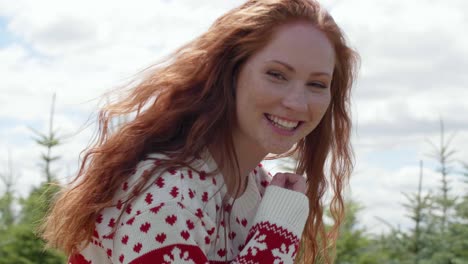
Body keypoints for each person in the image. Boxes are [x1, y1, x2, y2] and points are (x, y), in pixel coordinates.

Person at [42, 0, 359, 263]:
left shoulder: (259, 187)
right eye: (276, 74)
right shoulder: (168, 196)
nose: (296, 102)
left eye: (317, 84)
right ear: (231, 73)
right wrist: (276, 234)